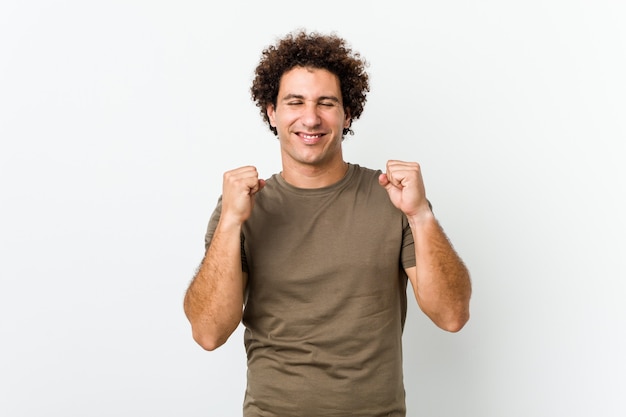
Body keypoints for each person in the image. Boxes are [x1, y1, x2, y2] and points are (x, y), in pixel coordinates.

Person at [183, 29, 472, 417]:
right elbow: (208, 333)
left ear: (347, 113)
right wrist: (232, 221)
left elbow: (452, 316)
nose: (310, 118)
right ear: (271, 112)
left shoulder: (394, 199)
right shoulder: (241, 207)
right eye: (295, 102)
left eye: (326, 103)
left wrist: (420, 215)